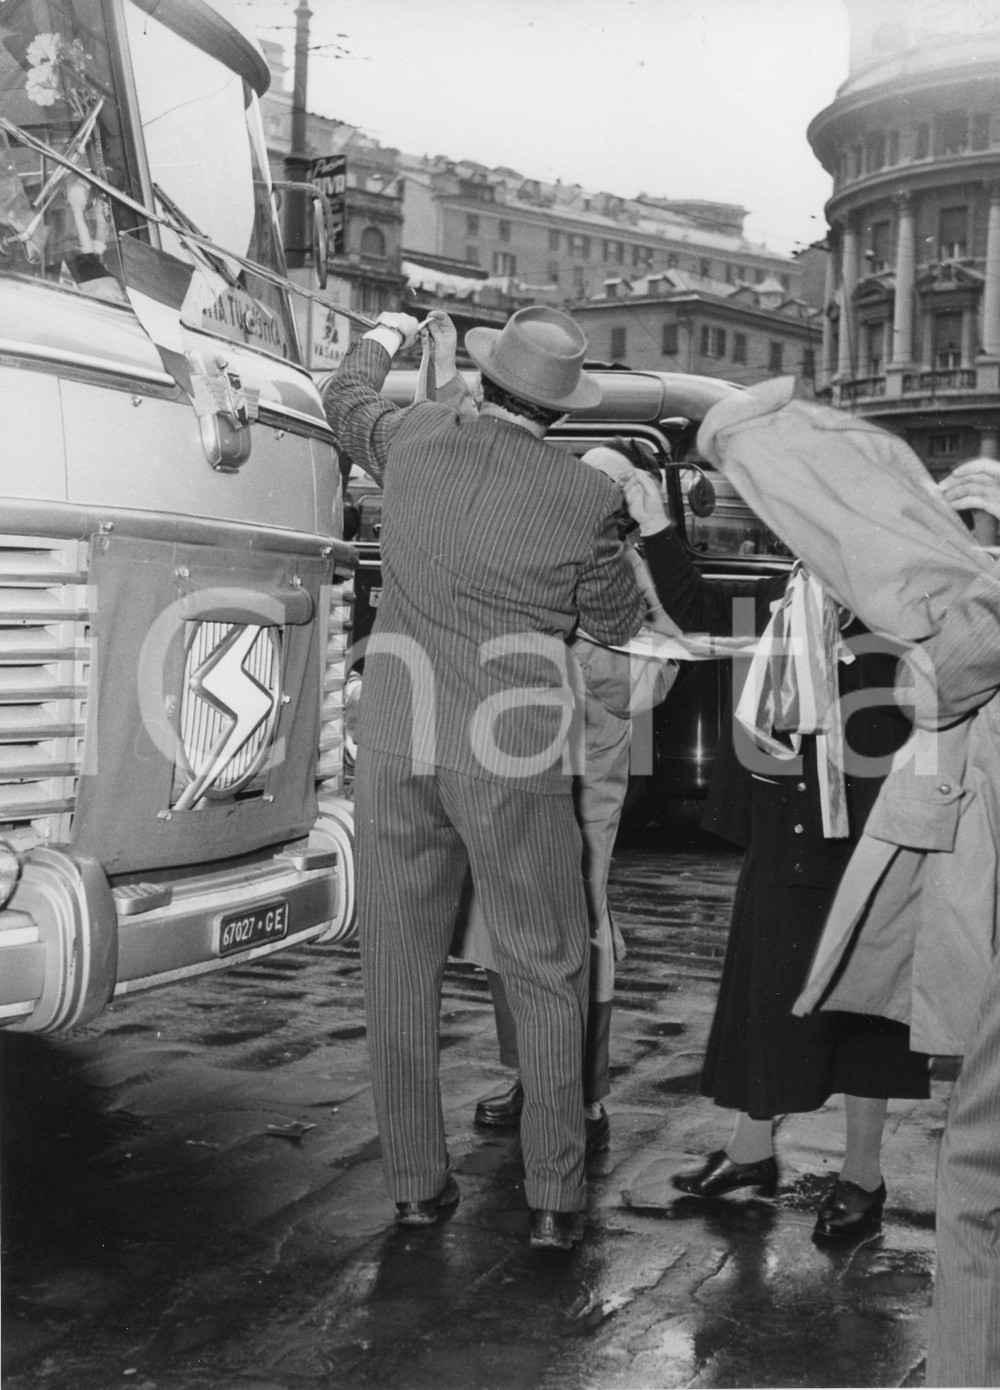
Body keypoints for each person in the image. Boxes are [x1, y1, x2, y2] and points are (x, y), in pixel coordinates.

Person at [324, 307, 645, 1251]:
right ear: (558, 409)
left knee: (397, 964)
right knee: (548, 965)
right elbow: (619, 623)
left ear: (487, 381)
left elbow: (345, 397)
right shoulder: (583, 497)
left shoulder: (417, 440)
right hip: (511, 750)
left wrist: (383, 333)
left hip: (394, 737)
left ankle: (418, 1188)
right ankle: (554, 1198)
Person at [616, 458, 929, 1240]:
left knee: (865, 1011)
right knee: (764, 992)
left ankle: (863, 1178)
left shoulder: (908, 607)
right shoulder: (798, 595)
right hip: (785, 825)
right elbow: (697, 612)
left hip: (870, 835)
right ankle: (752, 1151)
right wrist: (655, 522)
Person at [465, 446, 677, 1156]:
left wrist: (579, 650)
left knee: (581, 917)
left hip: (588, 766)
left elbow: (654, 684)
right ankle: (531, 1074)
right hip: (517, 752)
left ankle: (580, 1093)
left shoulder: (636, 572)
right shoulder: (537, 548)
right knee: (503, 914)